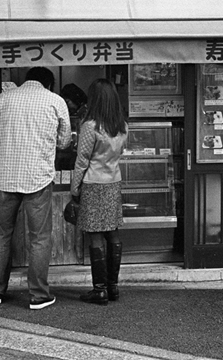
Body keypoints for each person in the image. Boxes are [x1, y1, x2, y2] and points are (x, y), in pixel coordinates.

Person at [0, 67, 72, 310]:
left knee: (0, 235)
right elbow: (65, 141)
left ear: (26, 80)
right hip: (38, 178)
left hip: (6, 178)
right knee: (40, 238)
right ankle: (38, 295)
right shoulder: (55, 101)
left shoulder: (4, 99)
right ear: (49, 84)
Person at [70, 78, 128, 305]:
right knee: (112, 233)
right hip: (113, 182)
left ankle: (99, 289)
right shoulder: (122, 126)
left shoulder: (90, 126)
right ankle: (113, 287)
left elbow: (81, 161)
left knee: (95, 236)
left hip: (93, 184)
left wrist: (75, 189)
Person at [56, 83, 88, 170]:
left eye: (67, 102)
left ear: (75, 99)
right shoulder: (80, 112)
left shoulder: (84, 112)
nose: (66, 105)